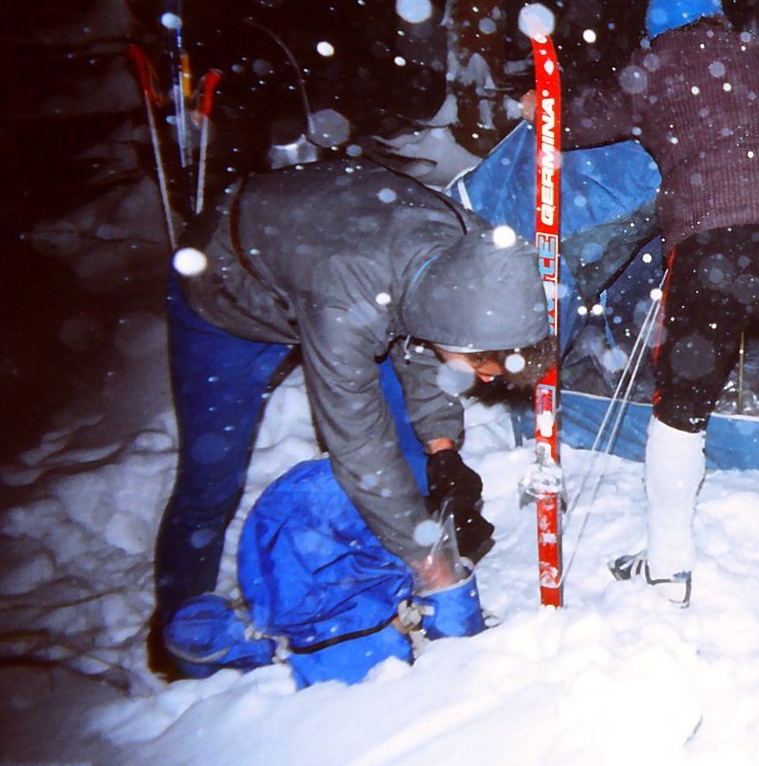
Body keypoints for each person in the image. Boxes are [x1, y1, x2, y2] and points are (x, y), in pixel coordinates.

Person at [151, 157, 554, 677]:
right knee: (211, 478)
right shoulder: (347, 301)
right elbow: (358, 444)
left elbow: (422, 340)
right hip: (226, 290)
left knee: (410, 452)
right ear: (461, 339)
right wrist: (431, 558)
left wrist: (441, 450)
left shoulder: (469, 255)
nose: (492, 377)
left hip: (340, 272)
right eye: (484, 363)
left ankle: (388, 588)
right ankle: (183, 634)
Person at [553, 0, 759, 606]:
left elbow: (579, 121)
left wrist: (537, 108)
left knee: (681, 406)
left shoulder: (655, 65)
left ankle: (669, 564)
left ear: (659, 24)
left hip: (713, 241)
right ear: (714, 13)